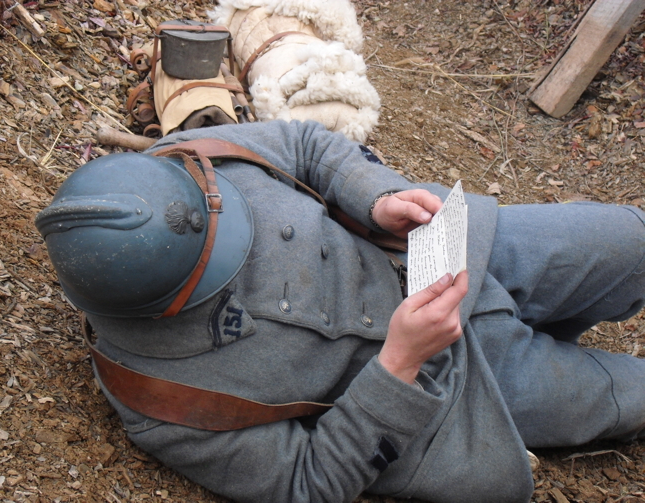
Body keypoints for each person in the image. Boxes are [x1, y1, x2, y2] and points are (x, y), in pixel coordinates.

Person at [35, 120, 645, 503]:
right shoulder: (156, 398)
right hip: (456, 396)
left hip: (455, 250)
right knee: (627, 394)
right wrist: (399, 367)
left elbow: (305, 144)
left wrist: (375, 197)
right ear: (160, 309)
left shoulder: (191, 157)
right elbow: (306, 483)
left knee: (630, 240)